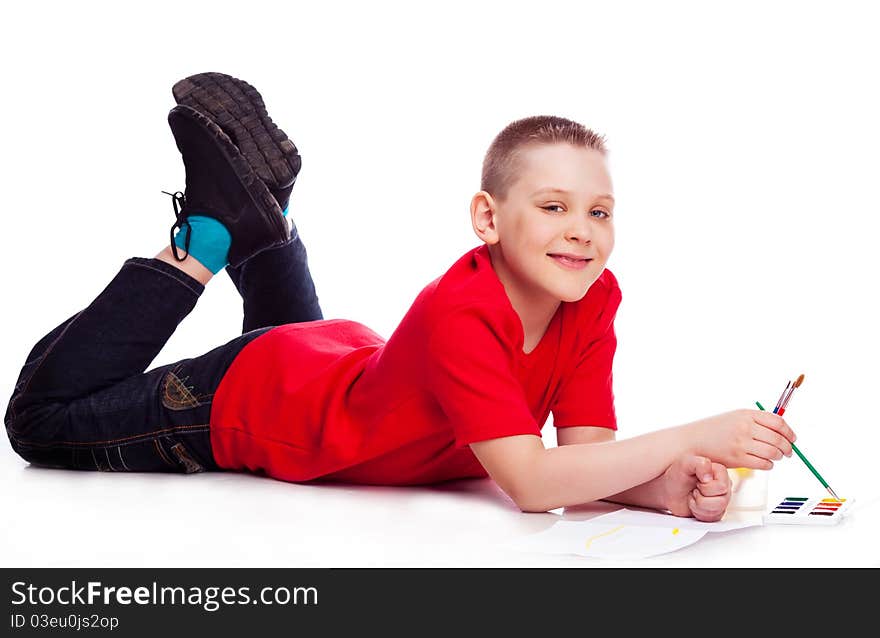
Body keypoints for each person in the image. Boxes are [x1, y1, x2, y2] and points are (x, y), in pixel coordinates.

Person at [4, 73, 796, 521]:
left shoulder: (593, 297)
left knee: (287, 353)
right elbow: (530, 483)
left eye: (599, 212)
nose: (582, 232)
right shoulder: (463, 309)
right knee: (38, 419)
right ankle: (217, 234)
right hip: (254, 401)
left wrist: (670, 486)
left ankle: (268, 225)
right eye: (552, 208)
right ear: (488, 217)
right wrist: (700, 430)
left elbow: (583, 458)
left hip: (327, 369)